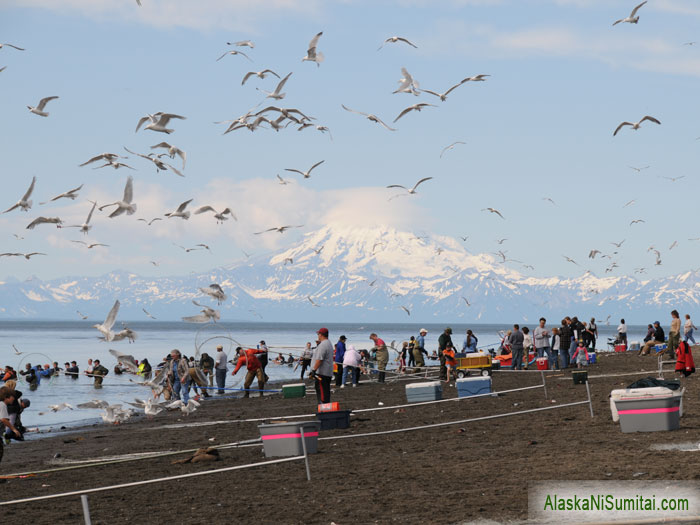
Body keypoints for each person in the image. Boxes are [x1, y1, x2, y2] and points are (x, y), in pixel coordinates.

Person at [310, 328, 334, 403]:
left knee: (322, 394)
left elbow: (320, 359)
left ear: (321, 335)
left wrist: (314, 370)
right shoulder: (328, 343)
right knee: (325, 392)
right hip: (326, 373)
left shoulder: (323, 345)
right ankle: (325, 409)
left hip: (322, 374)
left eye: (318, 334)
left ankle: (324, 410)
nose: (318, 336)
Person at [0, 388, 22, 464]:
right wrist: (14, 430)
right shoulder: (2, 405)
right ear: (7, 397)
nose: (14, 399)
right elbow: (3, 420)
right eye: (13, 397)